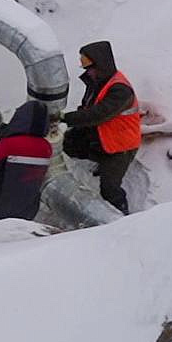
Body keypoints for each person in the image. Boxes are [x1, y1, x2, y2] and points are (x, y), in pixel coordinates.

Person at [60, 40, 141, 214]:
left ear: (101, 64)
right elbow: (87, 108)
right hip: (105, 136)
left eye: (90, 68)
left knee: (109, 188)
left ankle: (122, 218)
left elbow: (98, 114)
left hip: (121, 146)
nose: (88, 72)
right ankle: (98, 159)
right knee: (69, 143)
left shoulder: (120, 90)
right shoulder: (97, 83)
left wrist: (65, 118)